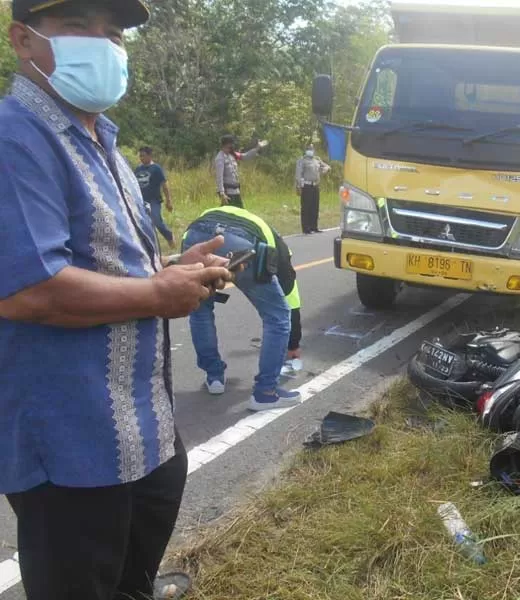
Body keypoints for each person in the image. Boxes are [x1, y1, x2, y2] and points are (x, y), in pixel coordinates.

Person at [0, 2, 234, 599]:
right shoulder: (15, 140)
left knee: (132, 585)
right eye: (79, 26)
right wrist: (159, 293)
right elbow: (28, 290)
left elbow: (105, 263)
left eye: (115, 33)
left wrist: (174, 270)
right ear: (23, 41)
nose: (102, 44)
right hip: (72, 447)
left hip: (143, 429)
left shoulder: (102, 140)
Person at [183, 206, 303, 410]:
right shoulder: (281, 251)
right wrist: (293, 344)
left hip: (195, 234)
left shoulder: (230, 213)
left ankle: (214, 378)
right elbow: (289, 294)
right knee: (278, 316)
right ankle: (266, 393)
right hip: (241, 242)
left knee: (201, 309)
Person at [135, 146, 175, 248]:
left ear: (149, 156)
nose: (141, 158)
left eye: (143, 156)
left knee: (157, 221)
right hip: (142, 201)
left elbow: (164, 184)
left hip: (154, 201)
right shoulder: (138, 169)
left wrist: (168, 200)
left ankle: (169, 236)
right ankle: (151, 246)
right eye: (140, 156)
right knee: (145, 224)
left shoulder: (156, 168)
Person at [214, 134, 267, 208]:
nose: (233, 145)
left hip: (236, 192)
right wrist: (222, 193)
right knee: (228, 216)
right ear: (227, 144)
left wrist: (257, 148)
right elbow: (219, 178)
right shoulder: (220, 158)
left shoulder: (232, 154)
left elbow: (245, 156)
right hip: (228, 193)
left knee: (239, 214)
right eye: (231, 143)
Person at [295, 143, 331, 234]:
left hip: (315, 185)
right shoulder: (302, 161)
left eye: (311, 149)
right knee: (306, 207)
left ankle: (314, 227)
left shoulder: (317, 160)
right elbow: (298, 174)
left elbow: (327, 167)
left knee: (315, 207)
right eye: (308, 149)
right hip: (306, 186)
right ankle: (306, 228)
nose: (310, 150)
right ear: (306, 150)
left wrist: (324, 170)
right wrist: (299, 185)